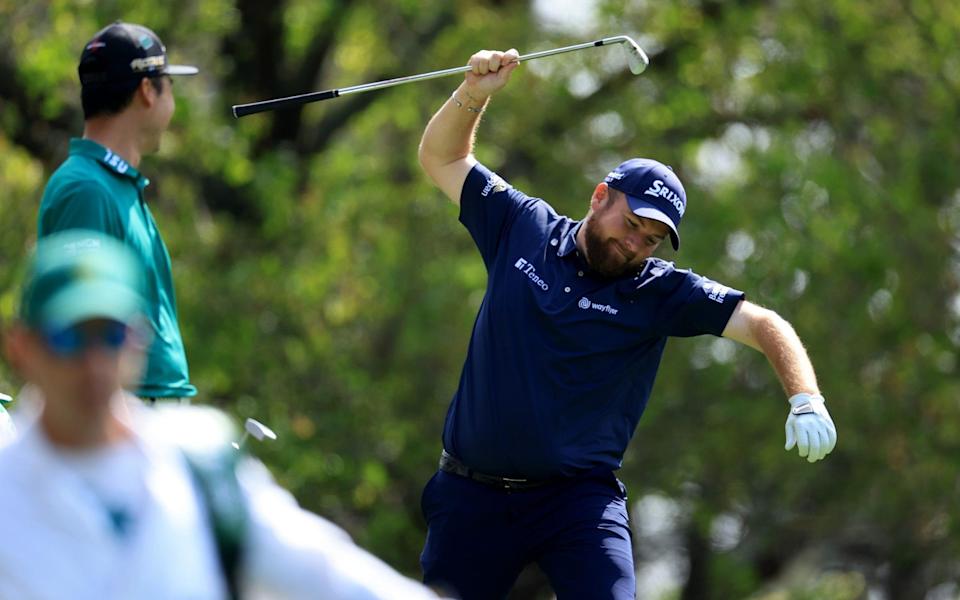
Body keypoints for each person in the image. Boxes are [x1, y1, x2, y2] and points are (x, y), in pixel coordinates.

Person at [415, 49, 838, 599]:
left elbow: (763, 322)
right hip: (470, 493)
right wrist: (474, 93)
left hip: (576, 503)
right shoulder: (522, 227)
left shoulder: (657, 290)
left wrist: (806, 397)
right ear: (599, 197)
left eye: (651, 238)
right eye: (631, 223)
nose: (635, 243)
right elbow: (442, 159)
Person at [0, 230, 441, 600]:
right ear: (20, 347)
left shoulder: (200, 466)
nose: (94, 362)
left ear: (139, 340)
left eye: (112, 336)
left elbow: (332, 576)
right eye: (67, 337)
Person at [37, 21, 198, 402]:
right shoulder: (87, 189)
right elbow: (78, 328)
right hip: (127, 410)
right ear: (147, 91)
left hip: (148, 410)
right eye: (169, 87)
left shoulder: (113, 184)